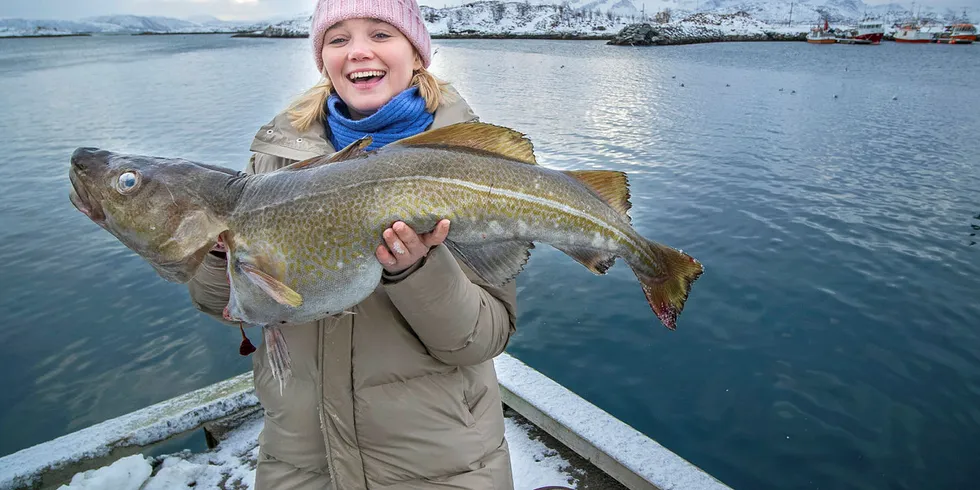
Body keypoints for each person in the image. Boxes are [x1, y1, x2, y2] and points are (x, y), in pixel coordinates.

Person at [186, 0, 520, 488]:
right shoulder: (275, 162)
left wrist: (416, 272)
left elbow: (483, 338)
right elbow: (223, 304)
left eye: (381, 34)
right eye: (338, 39)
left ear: (417, 52)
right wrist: (221, 257)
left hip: (442, 465)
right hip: (298, 460)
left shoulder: (474, 164)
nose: (358, 51)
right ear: (323, 59)